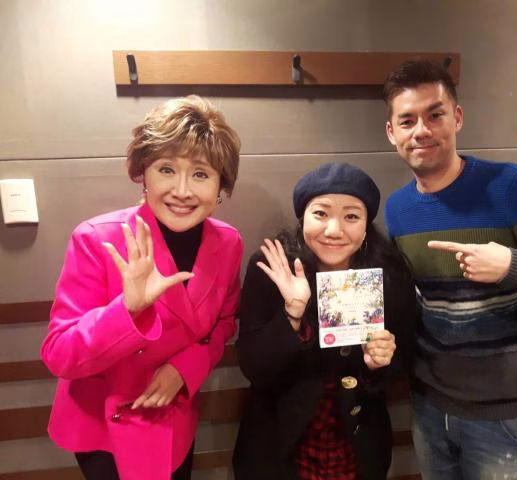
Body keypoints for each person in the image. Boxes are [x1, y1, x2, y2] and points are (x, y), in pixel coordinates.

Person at [383, 60, 517, 479]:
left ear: (457, 118)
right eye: (407, 121)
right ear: (392, 132)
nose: (421, 130)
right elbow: (411, 302)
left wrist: (512, 265)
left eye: (435, 115)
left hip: (504, 417)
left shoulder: (511, 186)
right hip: (429, 407)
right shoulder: (397, 210)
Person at [40, 95, 242, 480]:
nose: (182, 190)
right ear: (143, 174)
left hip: (175, 414)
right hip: (105, 429)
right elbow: (59, 355)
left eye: (201, 174)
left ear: (220, 185)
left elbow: (225, 322)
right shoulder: (97, 239)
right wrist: (126, 310)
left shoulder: (228, 243)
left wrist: (185, 368)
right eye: (167, 169)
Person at [232, 162, 417, 479]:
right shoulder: (273, 268)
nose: (333, 230)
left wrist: (379, 363)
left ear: (366, 224)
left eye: (351, 216)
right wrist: (292, 314)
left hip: (356, 440)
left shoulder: (387, 271)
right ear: (303, 217)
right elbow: (253, 366)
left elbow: (402, 359)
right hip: (280, 441)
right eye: (320, 213)